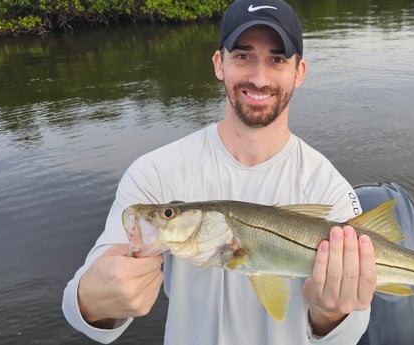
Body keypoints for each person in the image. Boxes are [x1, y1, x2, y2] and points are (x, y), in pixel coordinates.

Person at [61, 0, 377, 344]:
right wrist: (94, 300)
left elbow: (351, 334)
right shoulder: (156, 172)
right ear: (219, 64)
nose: (259, 77)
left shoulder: (329, 189)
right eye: (243, 56)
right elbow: (81, 306)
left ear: (299, 72)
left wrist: (330, 313)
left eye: (277, 59)